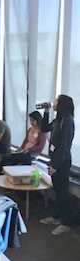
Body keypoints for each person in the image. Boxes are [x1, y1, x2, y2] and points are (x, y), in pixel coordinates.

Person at [39, 95, 76, 235]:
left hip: (62, 162)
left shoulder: (67, 121)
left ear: (62, 104)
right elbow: (44, 129)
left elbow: (64, 146)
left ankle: (67, 223)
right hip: (55, 160)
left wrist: (55, 165)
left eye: (56, 100)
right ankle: (56, 217)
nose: (53, 102)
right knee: (58, 191)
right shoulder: (58, 119)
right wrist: (46, 112)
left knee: (63, 193)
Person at [0, 111, 47, 175]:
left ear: (38, 120)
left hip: (32, 155)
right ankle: (1, 175)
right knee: (7, 160)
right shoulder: (30, 129)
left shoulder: (42, 131)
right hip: (24, 152)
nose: (31, 122)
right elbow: (25, 141)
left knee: (6, 158)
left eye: (33, 120)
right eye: (30, 120)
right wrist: (20, 148)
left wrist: (29, 150)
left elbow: (41, 147)